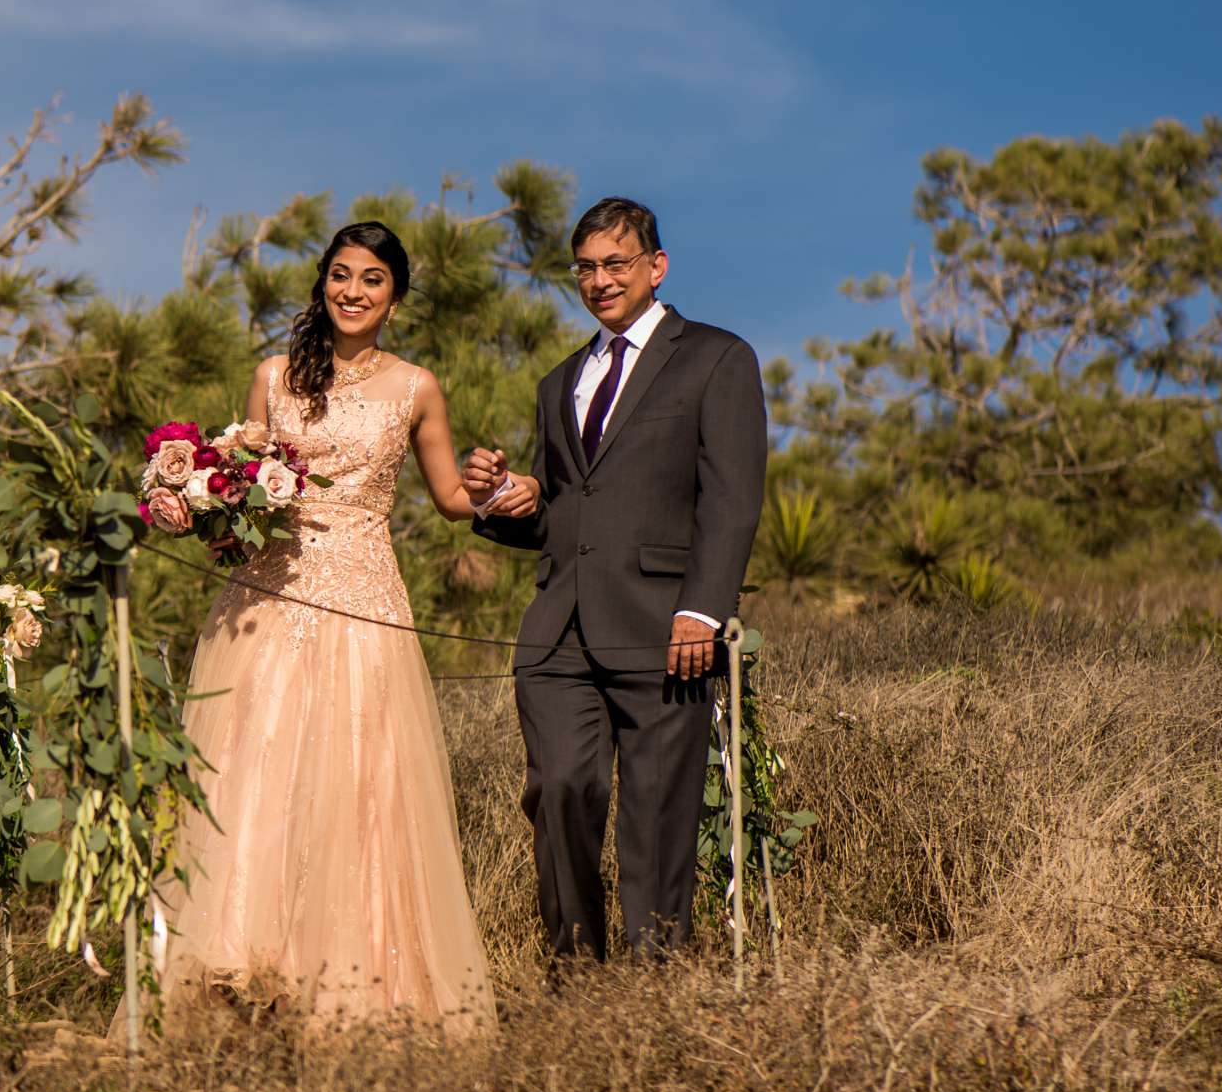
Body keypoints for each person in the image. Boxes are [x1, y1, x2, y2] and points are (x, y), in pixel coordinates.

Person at [152, 221, 513, 1031]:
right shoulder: (274, 377)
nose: (353, 290)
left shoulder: (417, 386)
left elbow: (452, 498)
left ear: (396, 295)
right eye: (341, 275)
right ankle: (235, 978)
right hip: (267, 594)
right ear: (322, 285)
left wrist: (493, 488)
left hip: (363, 600)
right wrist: (198, 503)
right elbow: (239, 485)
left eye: (373, 279)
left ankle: (359, 990)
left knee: (360, 779)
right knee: (254, 768)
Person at [462, 197, 765, 965]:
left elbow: (731, 499)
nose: (600, 280)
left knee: (659, 813)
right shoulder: (559, 379)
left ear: (655, 267)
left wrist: (702, 609)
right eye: (587, 267)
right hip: (558, 633)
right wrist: (502, 500)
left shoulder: (717, 359)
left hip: (668, 630)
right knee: (559, 790)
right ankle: (577, 979)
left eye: (616, 264)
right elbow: (564, 511)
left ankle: (655, 980)